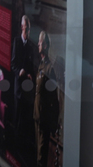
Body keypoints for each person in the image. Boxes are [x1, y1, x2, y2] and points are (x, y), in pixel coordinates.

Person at [34, 30, 59, 167]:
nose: (38, 44)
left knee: (41, 157)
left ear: (45, 46)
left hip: (44, 119)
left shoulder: (50, 70)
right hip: (37, 116)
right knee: (37, 152)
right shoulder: (41, 65)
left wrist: (54, 124)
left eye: (40, 42)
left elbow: (54, 100)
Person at [11, 15, 35, 159]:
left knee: (25, 121)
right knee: (17, 120)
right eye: (27, 26)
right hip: (19, 89)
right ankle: (16, 149)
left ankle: (23, 150)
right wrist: (20, 71)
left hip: (28, 90)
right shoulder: (17, 42)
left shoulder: (30, 46)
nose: (28, 29)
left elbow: (31, 66)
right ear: (22, 27)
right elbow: (13, 64)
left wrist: (30, 74)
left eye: (30, 27)